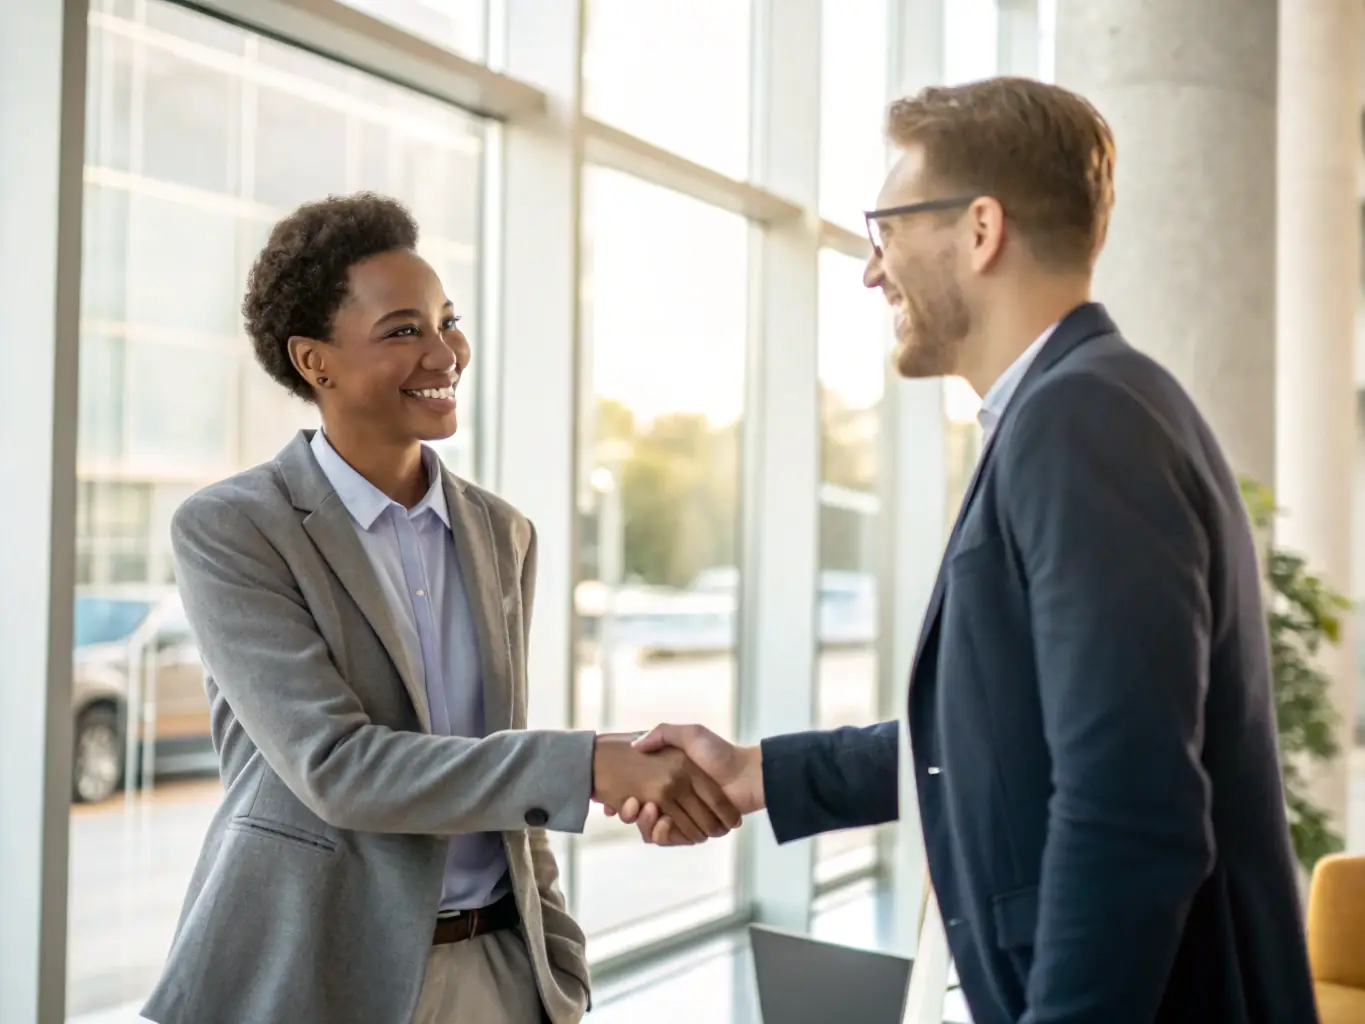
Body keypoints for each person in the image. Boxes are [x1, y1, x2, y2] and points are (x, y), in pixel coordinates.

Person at [610, 78, 1320, 1024]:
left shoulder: (1082, 421)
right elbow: (1012, 732)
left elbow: (1127, 806)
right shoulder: (1083, 404)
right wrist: (759, 773)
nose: (870, 271)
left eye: (886, 229)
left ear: (980, 230)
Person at [140, 193, 740, 1024]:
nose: (444, 351)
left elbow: (491, 751)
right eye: (402, 330)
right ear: (316, 362)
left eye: (446, 320)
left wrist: (552, 953)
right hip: (317, 974)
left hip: (499, 965)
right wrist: (589, 765)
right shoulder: (235, 528)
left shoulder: (501, 532)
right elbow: (336, 767)